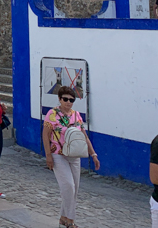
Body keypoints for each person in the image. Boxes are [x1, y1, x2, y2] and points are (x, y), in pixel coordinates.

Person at [43, 86, 99, 227]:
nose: (68, 102)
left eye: (71, 100)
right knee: (68, 186)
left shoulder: (76, 115)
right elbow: (45, 135)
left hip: (74, 155)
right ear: (60, 99)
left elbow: (84, 136)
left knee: (74, 189)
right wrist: (48, 155)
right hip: (58, 154)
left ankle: (63, 217)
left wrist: (93, 154)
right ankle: (71, 221)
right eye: (65, 99)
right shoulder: (52, 114)